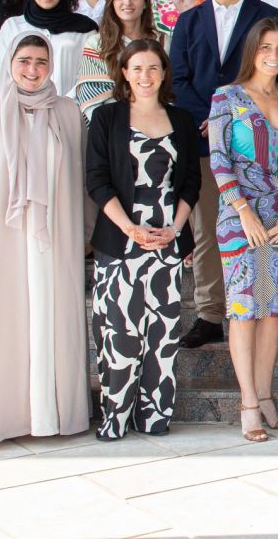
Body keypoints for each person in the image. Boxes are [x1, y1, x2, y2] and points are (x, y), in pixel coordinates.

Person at [0, 32, 88, 448]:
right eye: (24, 61)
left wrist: (85, 233)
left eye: (41, 62)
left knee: (49, 320)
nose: (32, 70)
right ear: (9, 63)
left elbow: (80, 176)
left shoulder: (66, 112)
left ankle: (48, 413)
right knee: (2, 324)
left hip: (53, 238)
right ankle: (0, 417)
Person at [169, 0, 278, 349]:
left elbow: (273, 72)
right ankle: (210, 313)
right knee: (207, 231)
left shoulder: (267, 15)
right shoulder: (189, 20)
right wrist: (210, 119)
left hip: (256, 142)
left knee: (263, 222)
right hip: (203, 140)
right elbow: (178, 79)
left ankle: (264, 304)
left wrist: (235, 119)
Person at [86, 39, 199, 441]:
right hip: (121, 242)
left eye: (153, 68)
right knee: (119, 333)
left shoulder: (182, 121)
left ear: (164, 73)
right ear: (124, 73)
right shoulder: (107, 118)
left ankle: (155, 418)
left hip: (167, 243)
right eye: (137, 68)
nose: (145, 76)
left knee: (163, 336)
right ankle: (114, 417)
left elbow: (190, 183)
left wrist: (175, 229)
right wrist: (131, 229)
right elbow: (96, 182)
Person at [209, 18, 278, 441]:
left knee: (272, 312)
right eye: (266, 47)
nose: (273, 55)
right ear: (252, 50)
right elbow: (218, 158)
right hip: (240, 219)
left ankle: (267, 397)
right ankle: (248, 403)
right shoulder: (227, 97)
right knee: (243, 310)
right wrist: (243, 211)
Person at [0, 0, 97, 99]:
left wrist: (65, 105)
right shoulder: (13, 26)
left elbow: (91, 76)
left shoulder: (85, 29)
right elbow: (3, 76)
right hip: (21, 111)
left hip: (70, 111)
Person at [73, 0, 161, 122]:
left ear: (146, 2)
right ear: (111, 2)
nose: (127, 2)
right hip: (112, 127)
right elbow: (91, 95)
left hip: (158, 122)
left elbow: (172, 86)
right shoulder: (96, 44)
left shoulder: (163, 40)